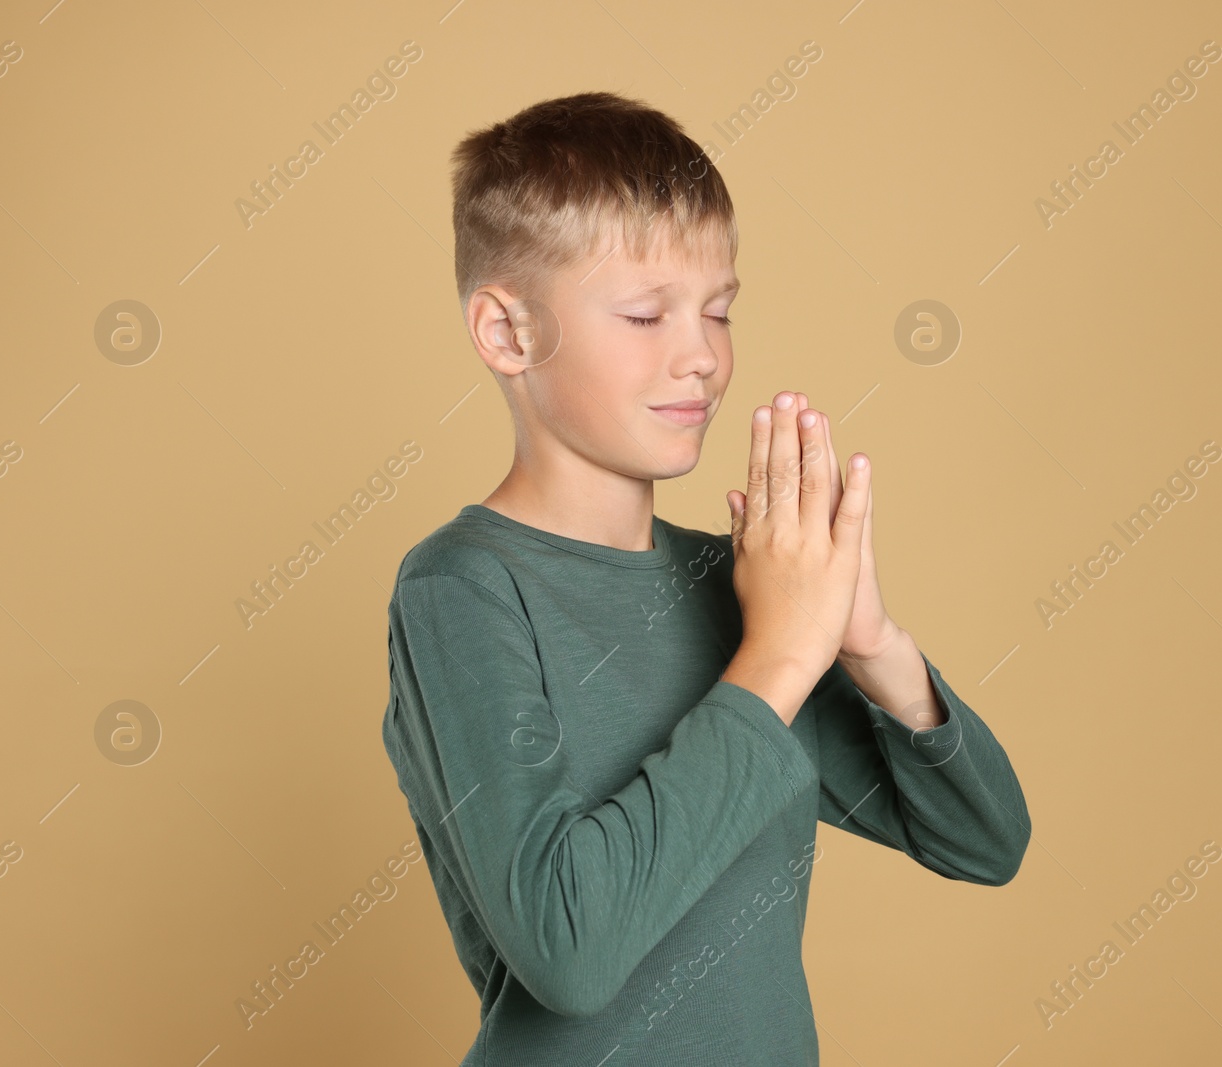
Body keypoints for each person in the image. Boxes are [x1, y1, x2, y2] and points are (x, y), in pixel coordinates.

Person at [380, 90, 1031, 1066]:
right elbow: (570, 950)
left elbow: (983, 842)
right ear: (508, 333)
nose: (702, 357)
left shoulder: (739, 590)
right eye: (645, 314)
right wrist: (777, 654)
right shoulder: (460, 589)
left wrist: (867, 644)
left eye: (720, 310)